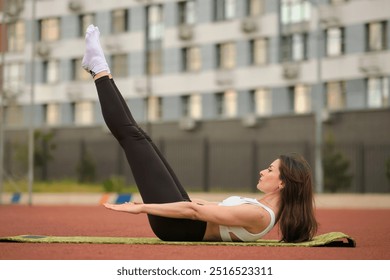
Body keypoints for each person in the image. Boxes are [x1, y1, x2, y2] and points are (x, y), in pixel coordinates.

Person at [82, 25, 318, 243]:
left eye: (269, 170)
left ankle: (98, 69)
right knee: (139, 136)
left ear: (283, 183)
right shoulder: (260, 207)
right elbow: (204, 206)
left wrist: (142, 207)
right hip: (182, 220)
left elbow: (195, 212)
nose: (262, 171)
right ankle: (99, 69)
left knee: (131, 137)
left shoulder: (260, 214)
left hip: (177, 226)